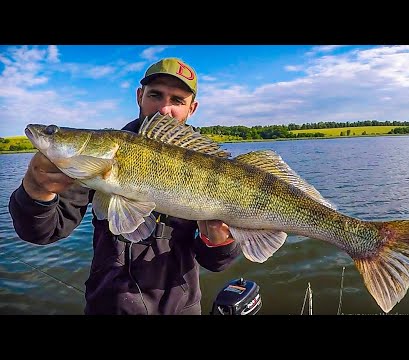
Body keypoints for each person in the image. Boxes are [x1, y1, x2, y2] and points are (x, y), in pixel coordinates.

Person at [8, 57, 242, 315]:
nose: (165, 109)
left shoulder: (211, 166)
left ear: (192, 108)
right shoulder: (98, 158)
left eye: (177, 100)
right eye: (156, 95)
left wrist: (218, 241)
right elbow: (42, 232)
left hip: (182, 307)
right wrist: (36, 190)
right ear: (140, 96)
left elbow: (216, 264)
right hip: (109, 305)